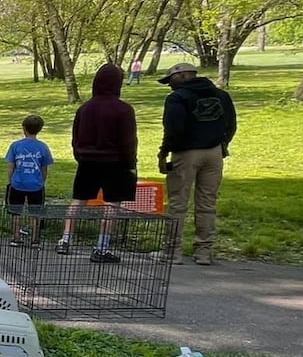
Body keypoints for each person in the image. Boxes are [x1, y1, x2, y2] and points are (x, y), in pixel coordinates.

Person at [157, 62, 237, 266]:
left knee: (178, 203)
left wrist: (164, 153)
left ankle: (172, 251)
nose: (169, 85)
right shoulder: (221, 95)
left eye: (170, 80)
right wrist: (222, 144)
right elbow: (231, 124)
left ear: (183, 76)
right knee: (207, 203)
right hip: (214, 153)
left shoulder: (177, 98)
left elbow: (173, 129)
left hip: (186, 153)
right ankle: (203, 251)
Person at [59, 64, 138, 263]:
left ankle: (65, 239)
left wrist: (80, 155)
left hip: (87, 161)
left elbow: (75, 136)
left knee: (78, 200)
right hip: (115, 162)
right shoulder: (124, 110)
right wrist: (130, 163)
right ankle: (101, 247)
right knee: (112, 204)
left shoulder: (84, 108)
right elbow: (128, 141)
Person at [3, 114, 53, 244]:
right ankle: (35, 239)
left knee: (16, 211)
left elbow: (10, 165)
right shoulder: (43, 147)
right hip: (36, 185)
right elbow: (44, 168)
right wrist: (41, 181)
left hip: (17, 183)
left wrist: (10, 181)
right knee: (36, 212)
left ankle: (16, 238)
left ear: (23, 128)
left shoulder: (15, 146)